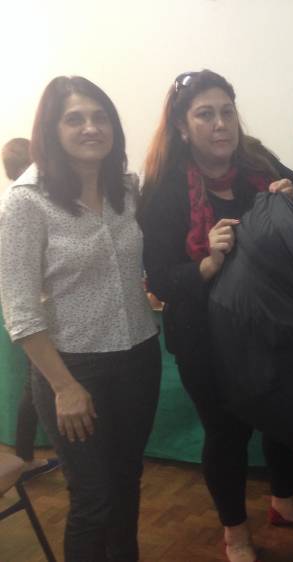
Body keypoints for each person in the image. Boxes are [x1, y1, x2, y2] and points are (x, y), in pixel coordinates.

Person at [138, 69, 293, 562]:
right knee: (227, 434)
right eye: (205, 114)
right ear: (182, 126)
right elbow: (160, 281)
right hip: (204, 338)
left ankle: (284, 501)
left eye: (226, 111)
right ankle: (235, 532)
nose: (220, 124)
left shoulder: (259, 162)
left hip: (269, 325)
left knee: (282, 418)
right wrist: (207, 263)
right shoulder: (164, 190)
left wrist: (292, 199)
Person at [0, 76, 161, 562]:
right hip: (73, 368)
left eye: (100, 117)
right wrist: (64, 387)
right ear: (51, 130)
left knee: (127, 482)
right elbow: (20, 311)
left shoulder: (126, 190)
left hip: (138, 357)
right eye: (75, 119)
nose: (91, 127)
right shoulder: (26, 202)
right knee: (93, 499)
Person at [1, 137, 60, 479]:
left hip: (38, 308)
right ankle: (24, 460)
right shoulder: (21, 203)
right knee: (36, 385)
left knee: (34, 386)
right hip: (37, 312)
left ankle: (24, 458)